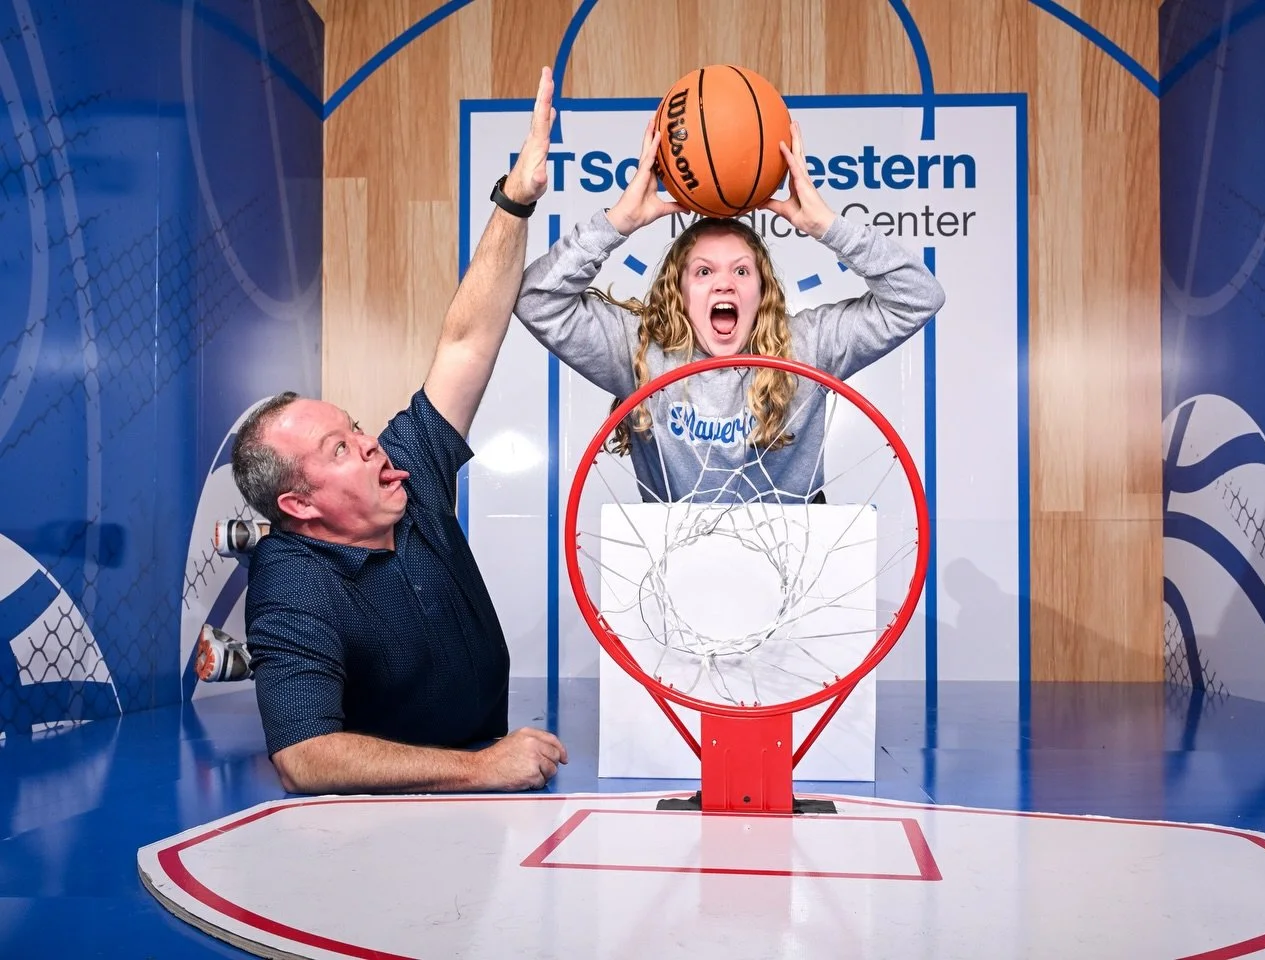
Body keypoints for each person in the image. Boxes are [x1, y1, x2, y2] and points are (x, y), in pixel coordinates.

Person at [230, 68, 567, 796]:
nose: (372, 444)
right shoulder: (290, 585)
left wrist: (515, 200)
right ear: (300, 505)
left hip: (487, 782)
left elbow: (466, 341)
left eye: (355, 428)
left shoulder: (407, 471)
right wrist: (478, 767)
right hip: (390, 815)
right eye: (340, 449)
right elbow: (305, 755)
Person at [514, 119, 946, 504]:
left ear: (763, 291)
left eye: (741, 270)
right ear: (678, 293)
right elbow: (537, 299)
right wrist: (617, 222)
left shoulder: (808, 346)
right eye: (703, 271)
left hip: (797, 562)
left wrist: (826, 226)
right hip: (674, 567)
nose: (724, 283)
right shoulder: (640, 350)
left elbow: (919, 296)